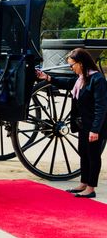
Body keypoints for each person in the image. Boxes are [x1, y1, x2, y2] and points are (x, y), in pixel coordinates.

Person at [36, 48, 107, 198]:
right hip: (83, 125)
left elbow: (101, 107)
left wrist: (95, 129)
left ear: (81, 63)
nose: (71, 68)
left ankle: (91, 188)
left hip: (94, 125)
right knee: (83, 153)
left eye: (72, 65)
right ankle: (84, 182)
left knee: (93, 156)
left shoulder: (97, 80)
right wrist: (47, 78)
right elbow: (67, 83)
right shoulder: (82, 78)